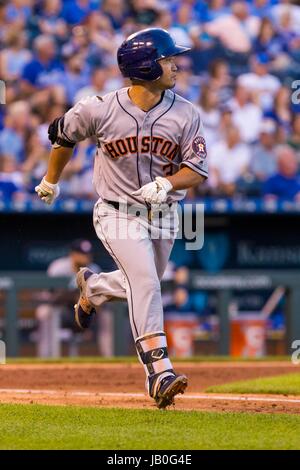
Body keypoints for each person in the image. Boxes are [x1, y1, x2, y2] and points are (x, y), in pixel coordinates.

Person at [35, 28, 208, 408]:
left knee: (141, 282)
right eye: (167, 58)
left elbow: (196, 170)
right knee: (146, 280)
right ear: (146, 66)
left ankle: (94, 289)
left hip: (164, 214)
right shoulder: (99, 107)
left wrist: (167, 183)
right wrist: (51, 179)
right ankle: (158, 372)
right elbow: (62, 134)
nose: (175, 64)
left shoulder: (185, 112)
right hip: (116, 211)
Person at [35, 239, 100, 357]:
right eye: (81, 253)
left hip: (85, 312)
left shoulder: (94, 270)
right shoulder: (58, 267)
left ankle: (108, 358)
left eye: (88, 254)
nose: (85, 257)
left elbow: (98, 300)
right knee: (44, 312)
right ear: (72, 254)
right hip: (60, 310)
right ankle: (46, 357)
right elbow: (48, 296)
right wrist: (69, 294)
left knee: (108, 316)